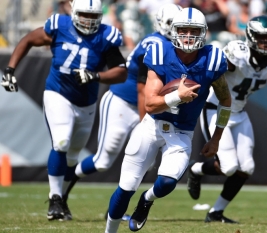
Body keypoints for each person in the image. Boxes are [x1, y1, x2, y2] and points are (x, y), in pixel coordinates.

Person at [104, 7, 232, 232]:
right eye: (183, 30)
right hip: (152, 126)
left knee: (167, 183)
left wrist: (216, 138)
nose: (189, 36)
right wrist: (177, 96)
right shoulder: (160, 51)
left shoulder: (213, 59)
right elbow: (150, 104)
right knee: (126, 187)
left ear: (204, 33)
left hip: (182, 132)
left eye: (194, 31)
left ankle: (147, 199)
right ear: (174, 31)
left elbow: (226, 101)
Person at [1, 0, 127, 221]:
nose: (88, 20)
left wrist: (96, 76)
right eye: (84, 15)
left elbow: (121, 72)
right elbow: (29, 39)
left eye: (93, 16)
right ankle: (55, 198)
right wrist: (10, 69)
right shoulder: (59, 26)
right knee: (61, 142)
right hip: (58, 93)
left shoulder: (106, 35)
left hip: (86, 102)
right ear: (73, 12)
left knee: (72, 157)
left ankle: (62, 199)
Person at [186, 15, 267, 223]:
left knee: (246, 168)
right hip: (216, 110)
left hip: (239, 113)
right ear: (250, 36)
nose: (265, 41)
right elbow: (211, 72)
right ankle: (196, 169)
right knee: (228, 167)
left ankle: (215, 213)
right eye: (260, 37)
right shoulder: (237, 53)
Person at [61, 3, 183, 221]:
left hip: (145, 106)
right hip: (123, 102)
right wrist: (146, 120)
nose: (175, 29)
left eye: (178, 25)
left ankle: (114, 210)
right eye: (170, 24)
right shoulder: (155, 43)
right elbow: (141, 88)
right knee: (102, 162)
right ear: (160, 24)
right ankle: (61, 192)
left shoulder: (178, 46)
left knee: (140, 163)